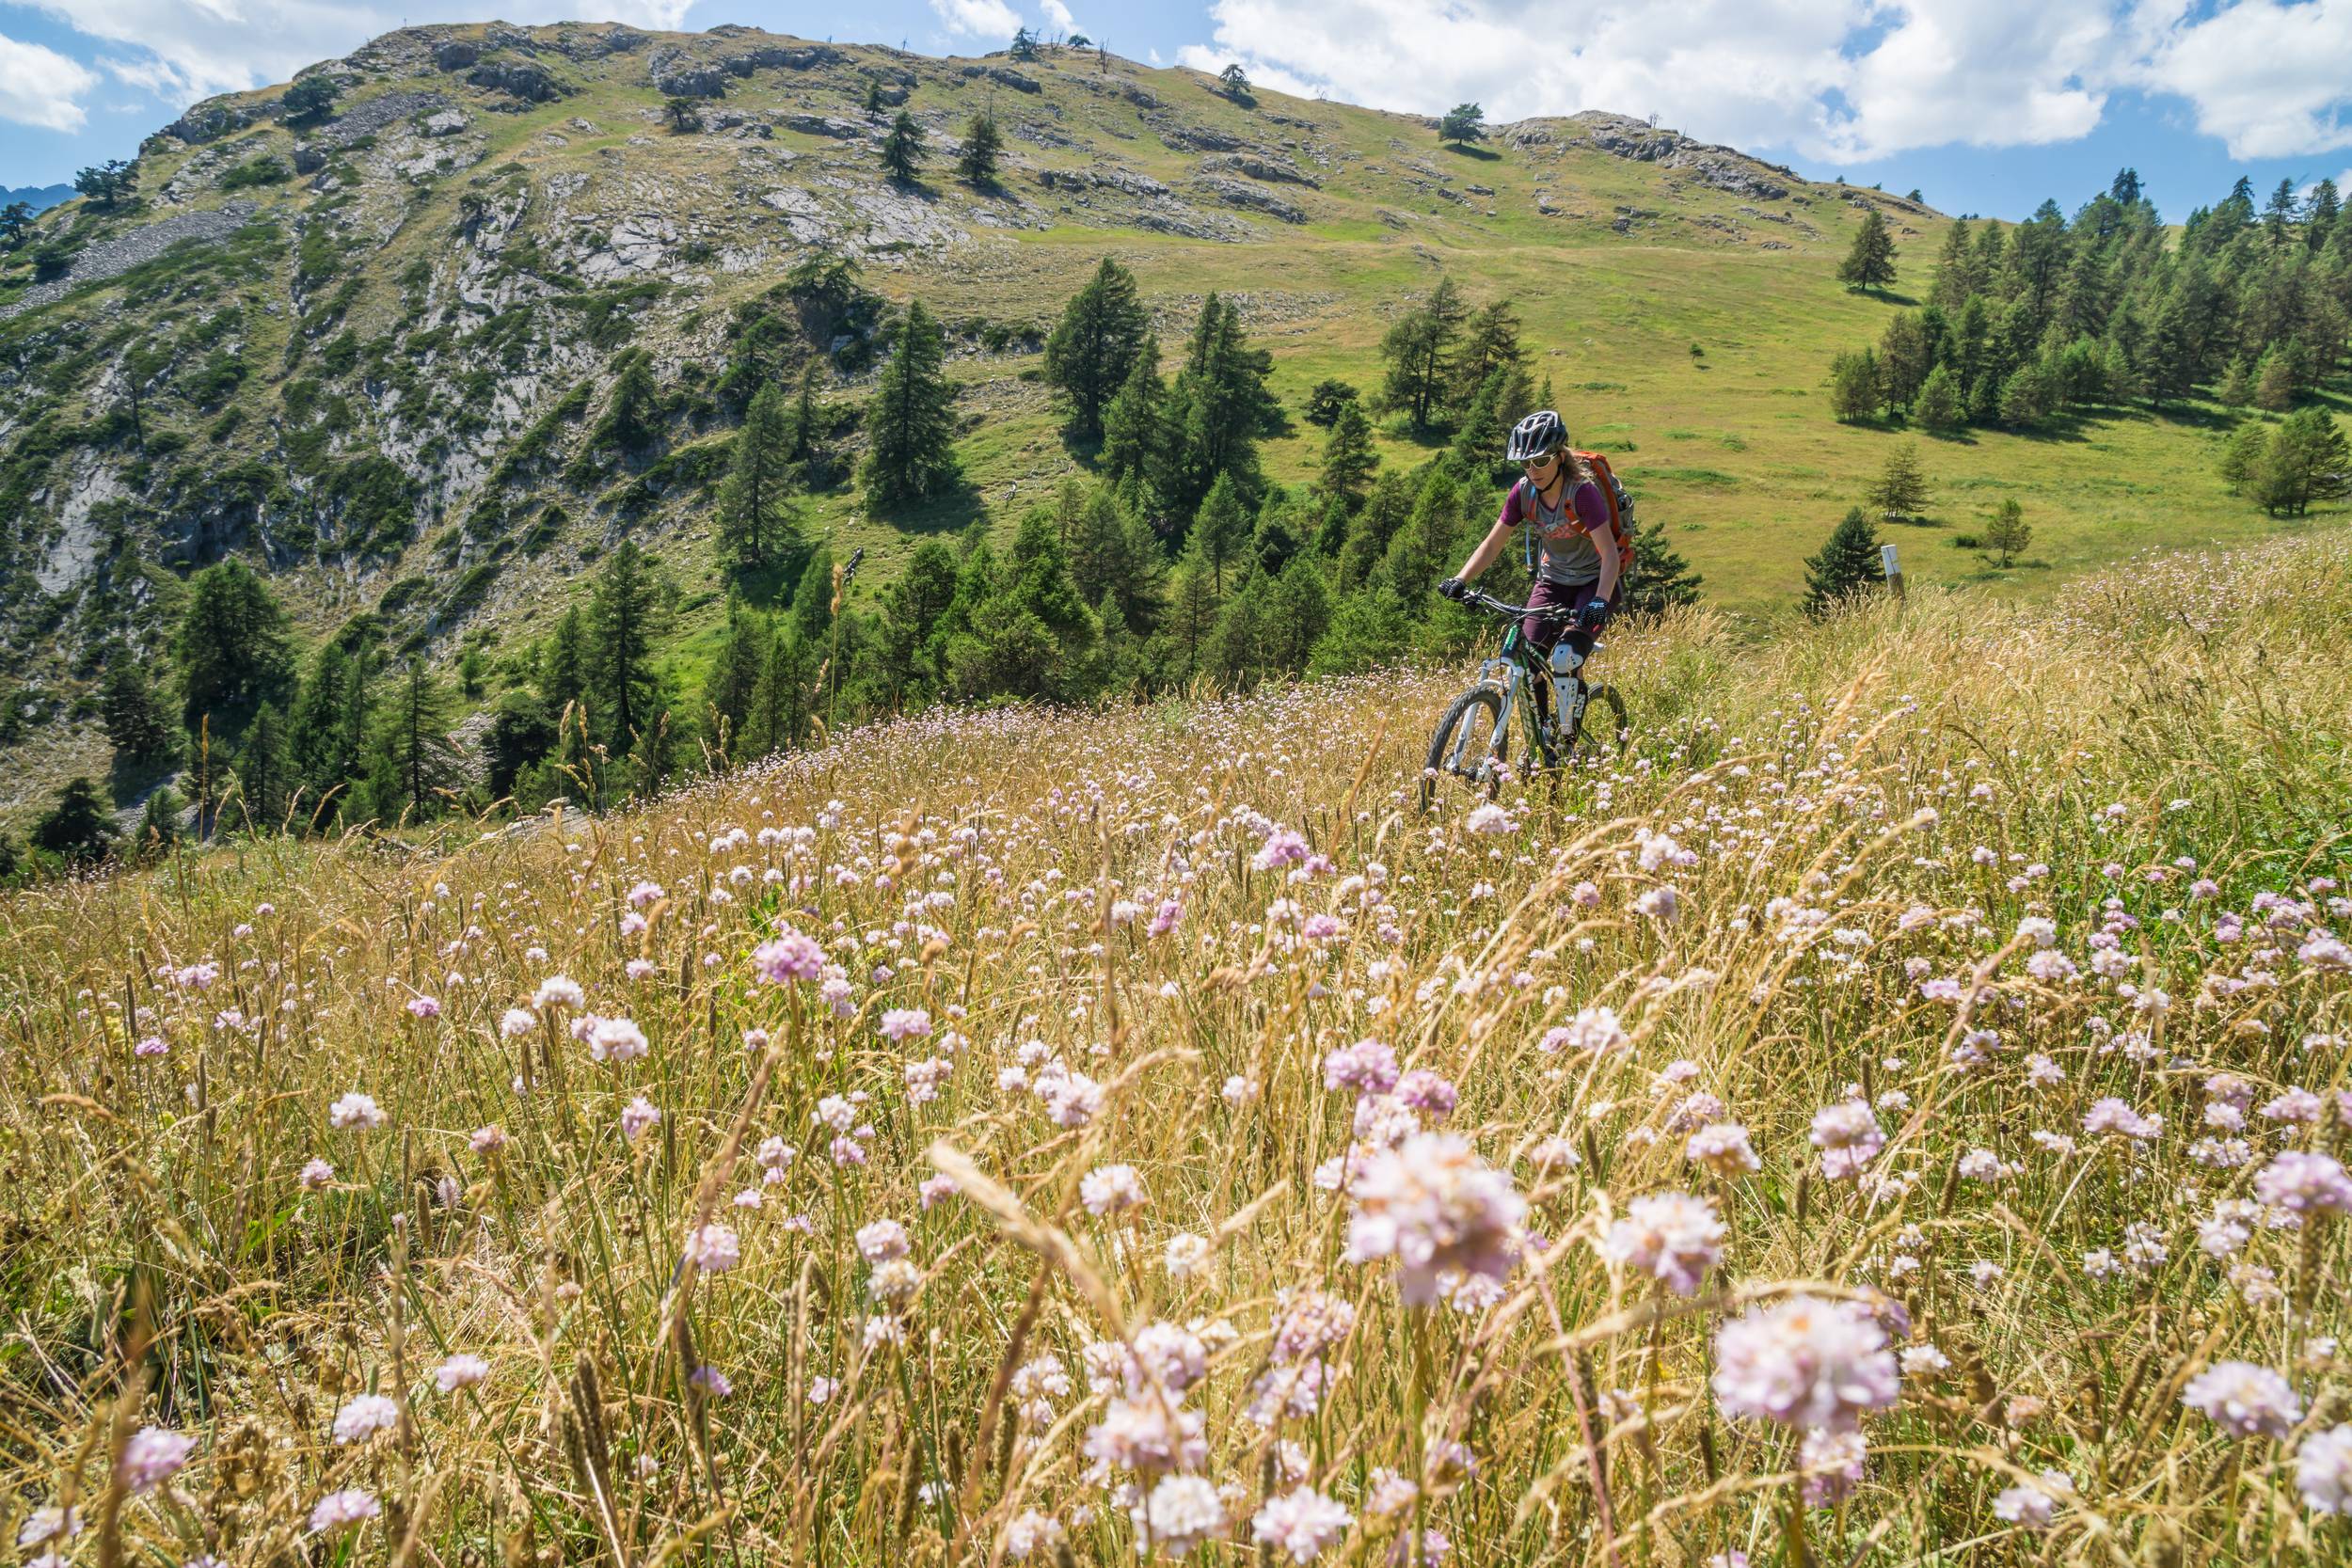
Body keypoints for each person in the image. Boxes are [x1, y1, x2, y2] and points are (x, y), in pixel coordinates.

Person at [1437, 409, 1620, 730]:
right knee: (1525, 658)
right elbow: (1492, 544)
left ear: (1560, 457)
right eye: (1525, 463)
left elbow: (1610, 555)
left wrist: (1600, 602)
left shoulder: (1582, 493)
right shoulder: (1523, 493)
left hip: (1594, 583)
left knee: (1565, 659)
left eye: (1540, 460)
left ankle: (1567, 741)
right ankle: (1542, 735)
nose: (1532, 470)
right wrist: (1460, 579)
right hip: (1552, 582)